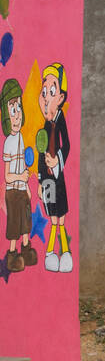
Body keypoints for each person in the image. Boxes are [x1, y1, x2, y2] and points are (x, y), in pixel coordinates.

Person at [37, 63, 73, 273]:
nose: (46, 97)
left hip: (58, 178)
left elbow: (66, 144)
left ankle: (65, 253)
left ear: (60, 97)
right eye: (44, 93)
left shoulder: (60, 120)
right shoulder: (44, 126)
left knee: (61, 218)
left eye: (51, 92)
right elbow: (41, 157)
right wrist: (41, 182)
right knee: (52, 218)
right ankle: (51, 253)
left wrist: (57, 161)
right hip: (49, 179)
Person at [2, 78, 36, 273]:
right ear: (6, 116)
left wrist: (28, 187)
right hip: (13, 191)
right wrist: (20, 179)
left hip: (22, 189)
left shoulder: (22, 137)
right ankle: (13, 255)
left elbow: (23, 165)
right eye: (12, 110)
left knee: (26, 222)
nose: (16, 116)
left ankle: (26, 250)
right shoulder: (8, 142)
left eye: (18, 109)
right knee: (15, 224)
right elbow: (7, 176)